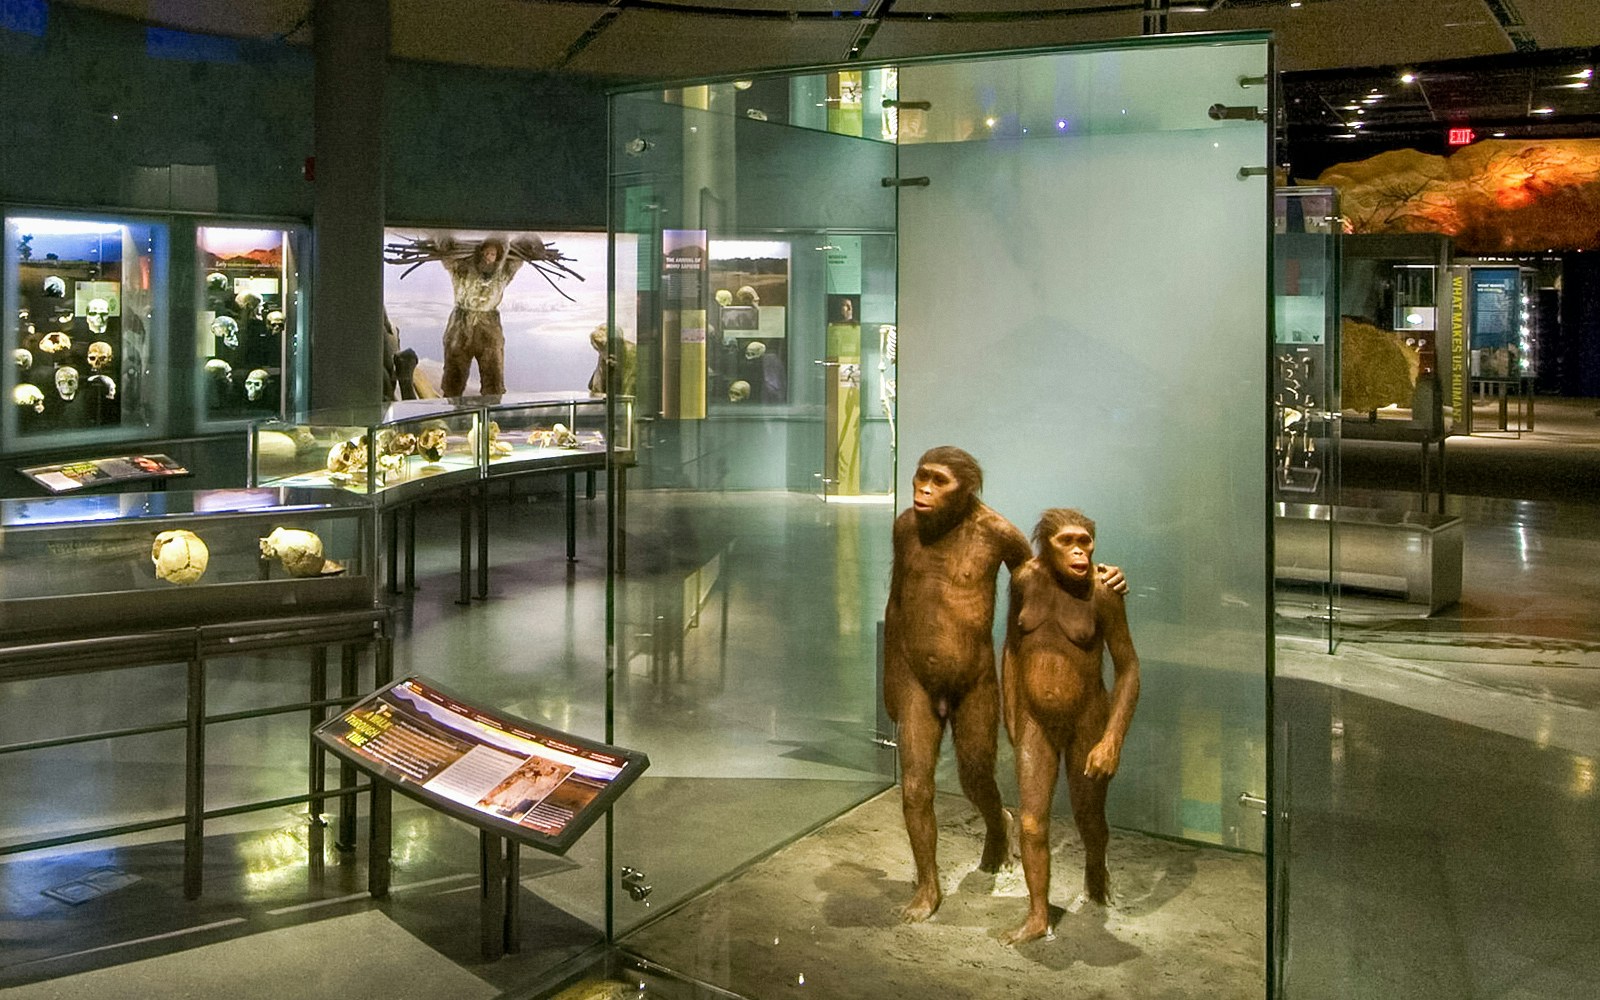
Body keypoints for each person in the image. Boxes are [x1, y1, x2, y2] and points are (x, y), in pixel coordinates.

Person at [883, 447, 1125, 922]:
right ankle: (927, 883)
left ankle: (997, 825)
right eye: (921, 476)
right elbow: (896, 602)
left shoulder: (996, 532)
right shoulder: (905, 527)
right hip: (915, 674)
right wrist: (891, 674)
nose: (923, 489)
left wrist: (1103, 578)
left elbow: (1044, 578)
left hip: (974, 677)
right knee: (915, 787)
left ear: (967, 489)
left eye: (938, 481)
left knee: (977, 774)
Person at [1001, 508, 1140, 944]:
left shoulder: (1102, 592)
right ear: (1046, 544)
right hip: (1035, 722)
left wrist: (1112, 739)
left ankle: (1095, 868)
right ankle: (1038, 914)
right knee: (1030, 823)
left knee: (1088, 818)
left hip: (1087, 719)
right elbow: (1010, 647)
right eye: (1068, 542)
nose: (1081, 552)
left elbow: (1130, 670)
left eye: (1086, 541)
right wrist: (1011, 716)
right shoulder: (1024, 579)